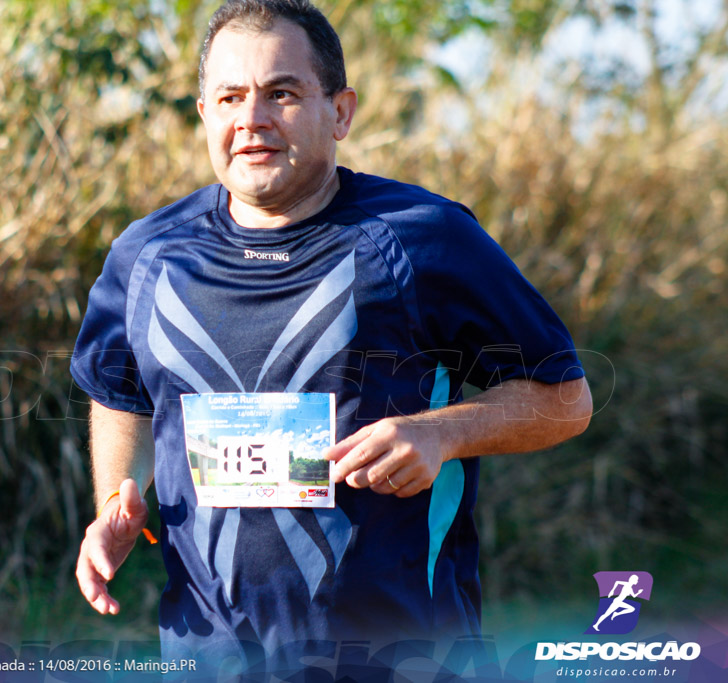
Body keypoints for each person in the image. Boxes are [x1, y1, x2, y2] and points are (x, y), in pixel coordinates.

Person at [71, 0, 593, 675]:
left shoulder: (423, 236)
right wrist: (118, 496)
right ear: (204, 113)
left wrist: (441, 434)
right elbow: (123, 393)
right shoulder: (146, 256)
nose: (251, 119)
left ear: (340, 112)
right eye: (229, 96)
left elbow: (565, 399)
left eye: (281, 93)